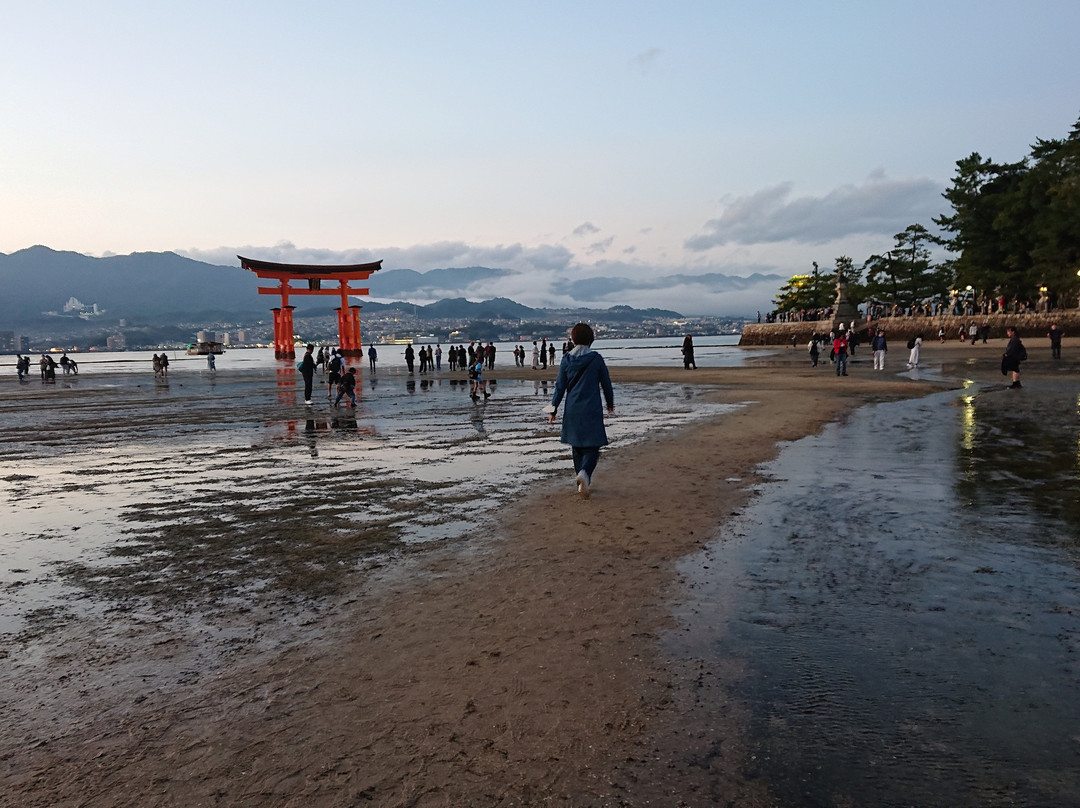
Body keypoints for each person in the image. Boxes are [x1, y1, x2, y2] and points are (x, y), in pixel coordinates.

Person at [549, 323, 615, 499]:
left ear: (573, 339)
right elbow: (606, 383)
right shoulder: (596, 359)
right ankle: (584, 474)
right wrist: (610, 403)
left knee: (576, 445)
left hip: (572, 409)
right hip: (591, 408)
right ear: (590, 339)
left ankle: (582, 479)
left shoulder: (565, 359)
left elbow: (560, 387)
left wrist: (553, 409)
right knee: (593, 447)